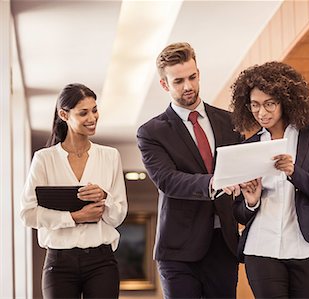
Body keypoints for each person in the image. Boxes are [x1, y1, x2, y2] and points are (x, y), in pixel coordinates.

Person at [136, 42, 241, 299]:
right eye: (179, 81)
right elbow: (167, 180)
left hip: (223, 244)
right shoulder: (151, 132)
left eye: (192, 77)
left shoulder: (229, 122)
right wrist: (212, 183)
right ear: (164, 85)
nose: (188, 86)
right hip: (178, 250)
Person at [228, 61, 309, 298]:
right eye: (255, 105)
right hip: (262, 247)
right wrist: (251, 201)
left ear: (286, 101)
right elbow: (239, 214)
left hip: (306, 245)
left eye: (270, 104)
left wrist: (294, 172)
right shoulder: (247, 147)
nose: (262, 112)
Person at [20, 83, 128, 299]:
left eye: (95, 110)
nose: (93, 118)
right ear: (64, 115)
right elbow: (27, 213)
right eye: (83, 113)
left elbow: (118, 216)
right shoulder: (44, 159)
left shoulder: (110, 156)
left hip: (101, 261)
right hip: (59, 263)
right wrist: (74, 217)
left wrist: (105, 198)